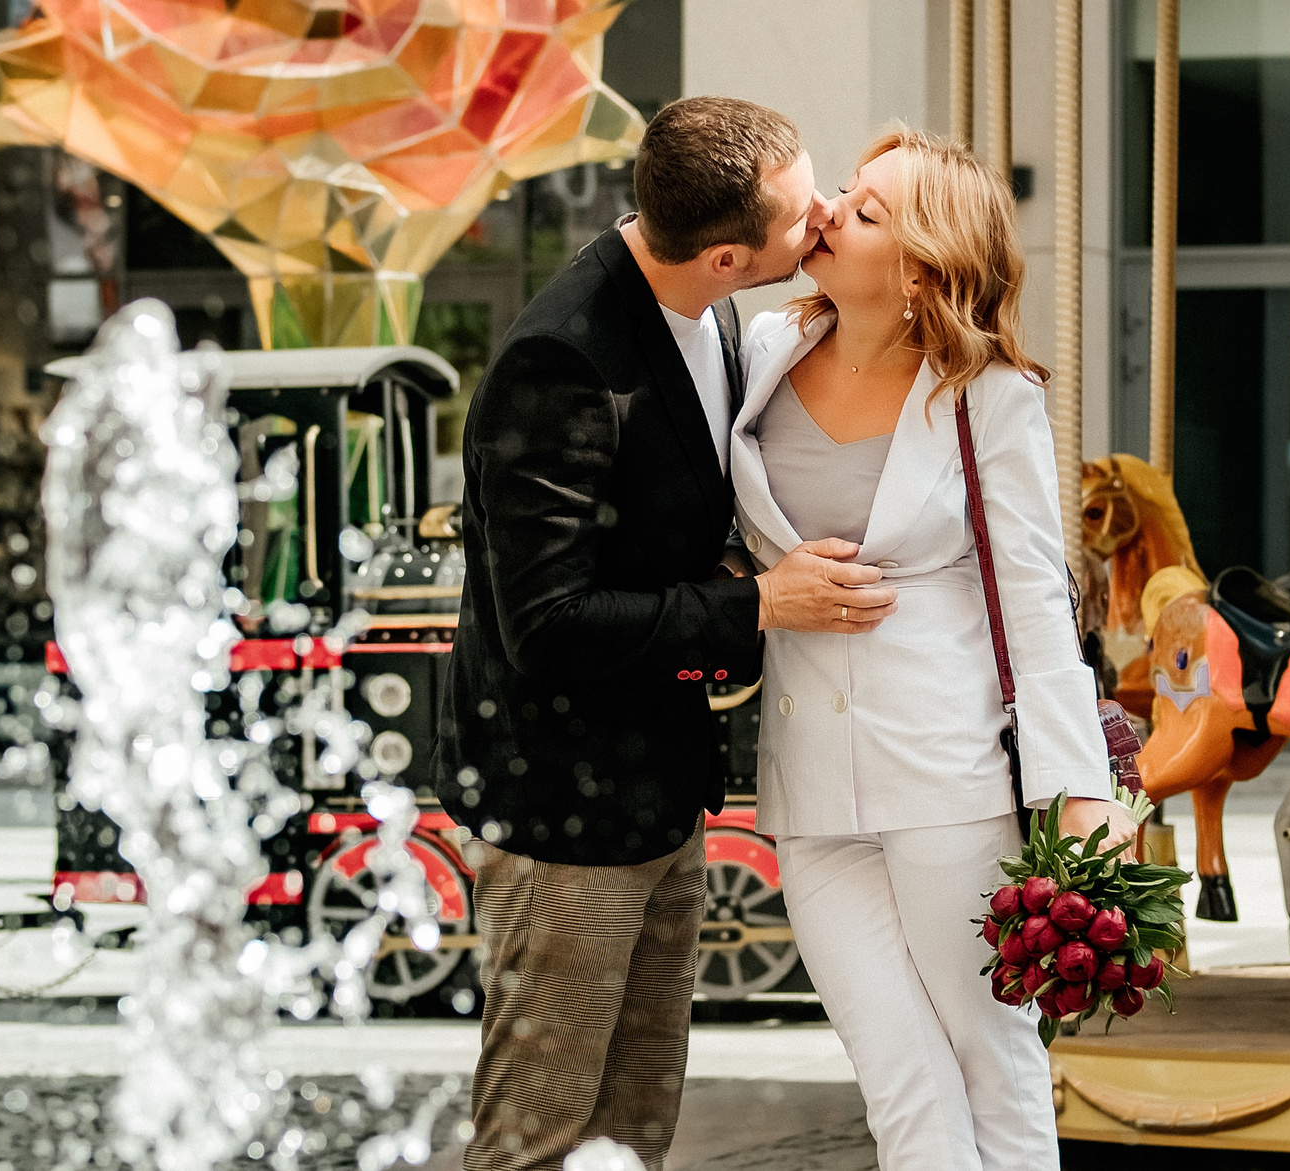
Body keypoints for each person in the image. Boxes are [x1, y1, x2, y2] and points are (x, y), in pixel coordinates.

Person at [437, 96, 896, 1171]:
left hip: (655, 786)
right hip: (560, 811)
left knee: (635, 1128)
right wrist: (758, 607)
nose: (825, 215)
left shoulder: (715, 315)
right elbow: (546, 627)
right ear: (729, 255)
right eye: (801, 217)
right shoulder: (559, 361)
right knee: (539, 1136)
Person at [727, 125, 1129, 1171]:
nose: (827, 215)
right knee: (897, 1078)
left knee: (990, 1057)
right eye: (846, 193)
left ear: (917, 271)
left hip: (948, 776)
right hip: (808, 785)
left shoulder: (990, 397)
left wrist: (1078, 784)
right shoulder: (763, 351)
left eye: (863, 212)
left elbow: (1037, 596)